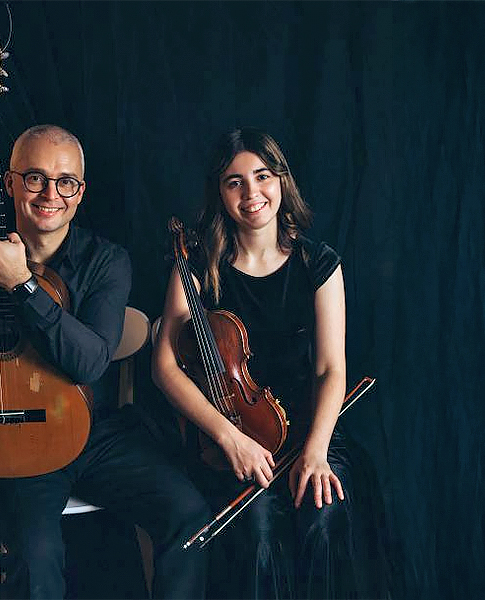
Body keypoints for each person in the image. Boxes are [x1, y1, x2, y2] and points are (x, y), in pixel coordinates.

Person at [0, 124, 210, 599]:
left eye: (65, 182)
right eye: (35, 177)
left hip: (97, 433)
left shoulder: (106, 262)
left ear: (80, 192)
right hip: (13, 439)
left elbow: (89, 364)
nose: (50, 194)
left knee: (189, 514)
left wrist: (21, 283)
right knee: (35, 553)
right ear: (9, 183)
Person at [152, 127, 390, 599]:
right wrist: (230, 439)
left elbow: (330, 370)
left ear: (282, 181)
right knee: (256, 531)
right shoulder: (197, 263)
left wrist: (316, 451)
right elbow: (166, 369)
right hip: (231, 434)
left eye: (262, 176)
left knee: (322, 517)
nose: (251, 193)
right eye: (234, 181)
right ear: (219, 193)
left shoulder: (317, 264)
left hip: (310, 428)